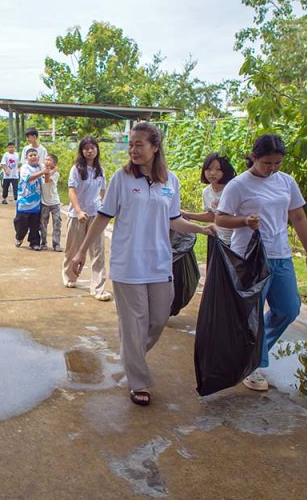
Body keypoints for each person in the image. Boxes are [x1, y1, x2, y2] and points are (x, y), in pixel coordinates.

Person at [72, 122, 214, 406]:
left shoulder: (170, 180)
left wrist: (202, 229)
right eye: (130, 144)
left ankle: (131, 354)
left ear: (155, 147)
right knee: (134, 324)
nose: (133, 150)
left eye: (139, 144)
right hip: (128, 264)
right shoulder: (121, 178)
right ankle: (138, 381)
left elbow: (174, 219)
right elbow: (103, 217)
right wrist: (81, 251)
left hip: (160, 263)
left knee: (159, 319)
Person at [216, 133, 307, 392]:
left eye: (277, 163)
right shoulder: (238, 185)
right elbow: (221, 219)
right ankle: (252, 365)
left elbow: (298, 216)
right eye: (267, 163)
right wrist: (244, 221)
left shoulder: (286, 182)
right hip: (249, 257)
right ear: (254, 157)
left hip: (281, 255)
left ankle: (251, 355)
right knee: (252, 314)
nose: (272, 168)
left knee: (289, 308)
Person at [63, 136, 111, 301]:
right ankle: (70, 276)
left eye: (92, 148)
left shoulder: (100, 170)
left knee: (98, 252)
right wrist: (78, 211)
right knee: (73, 249)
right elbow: (71, 191)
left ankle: (98, 288)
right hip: (77, 216)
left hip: (95, 216)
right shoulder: (76, 169)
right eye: (86, 148)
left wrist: (100, 205)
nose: (90, 151)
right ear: (81, 151)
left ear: (97, 149)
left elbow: (102, 190)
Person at [181, 152, 236, 245]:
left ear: (225, 170)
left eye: (218, 169)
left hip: (237, 241)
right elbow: (212, 216)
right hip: (219, 239)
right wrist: (187, 214)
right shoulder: (207, 192)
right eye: (209, 169)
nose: (212, 173)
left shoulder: (233, 189)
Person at [14, 147, 45, 250]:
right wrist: (42, 172)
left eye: (35, 155)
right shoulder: (25, 167)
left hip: (36, 203)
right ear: (26, 158)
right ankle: (19, 237)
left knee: (35, 224)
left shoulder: (40, 167)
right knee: (20, 223)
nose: (33, 157)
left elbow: (50, 169)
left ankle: (34, 242)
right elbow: (28, 178)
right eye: (30, 155)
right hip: (24, 201)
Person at [40, 153, 63, 252]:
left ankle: (56, 244)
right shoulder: (42, 169)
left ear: (54, 163)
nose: (47, 161)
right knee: (43, 224)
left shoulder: (56, 174)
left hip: (54, 203)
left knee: (57, 223)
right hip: (44, 202)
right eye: (46, 159)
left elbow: (47, 180)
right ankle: (43, 243)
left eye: (49, 160)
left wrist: (51, 171)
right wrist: (48, 170)